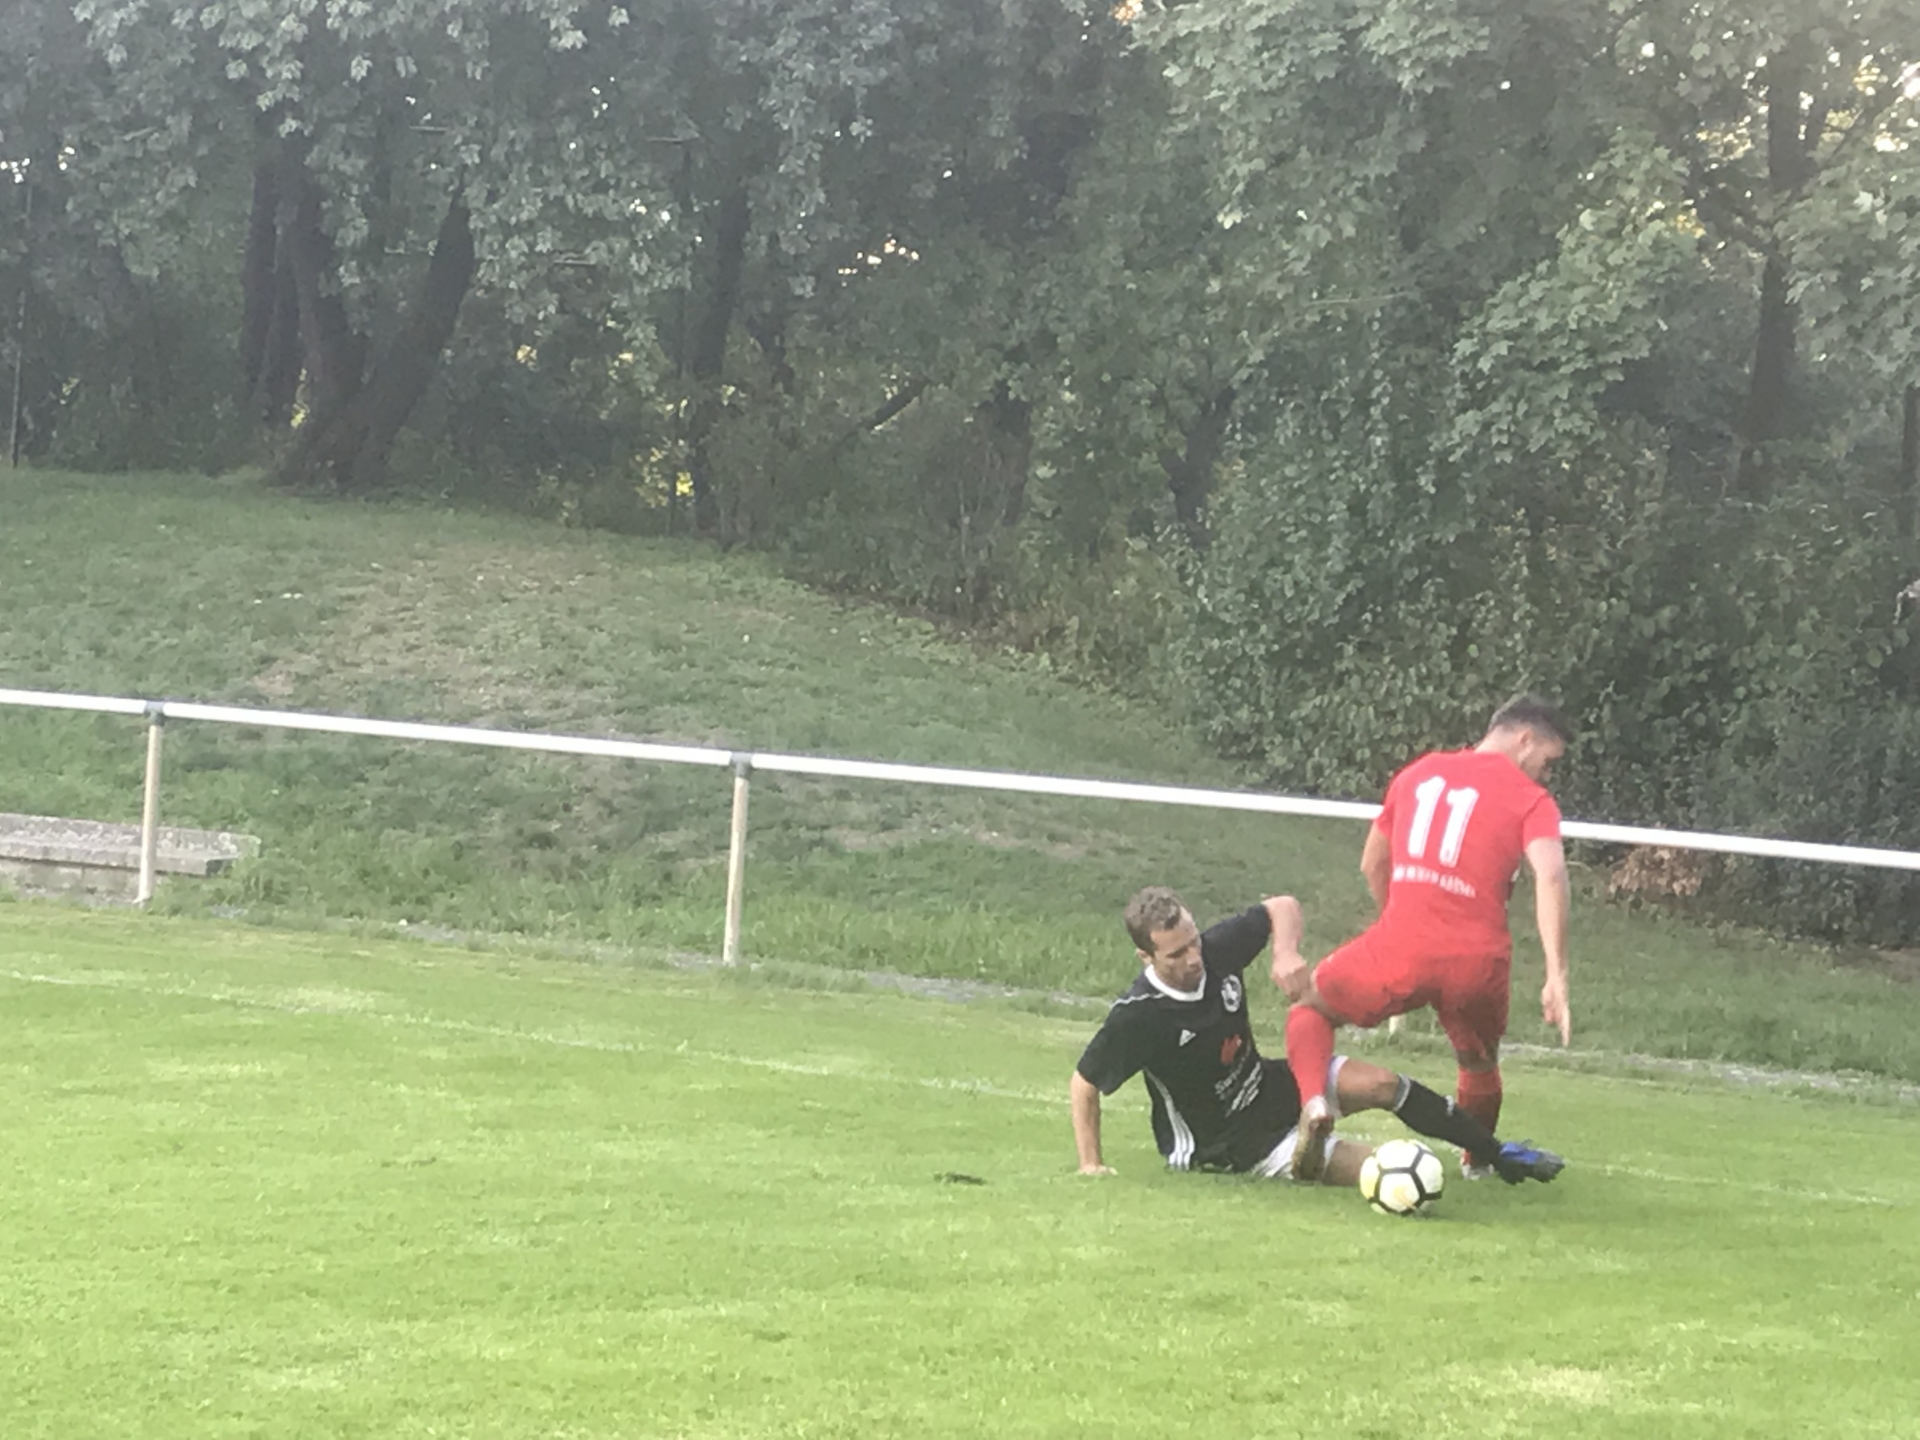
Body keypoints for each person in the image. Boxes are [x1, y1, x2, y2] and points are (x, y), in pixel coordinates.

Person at [1071, 885, 1560, 1186]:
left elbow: (1281, 906)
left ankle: (1497, 1153)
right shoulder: (1140, 1015)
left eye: (1193, 942)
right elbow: (1084, 1083)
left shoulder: (1216, 951)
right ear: (1146, 957)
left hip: (1266, 1086)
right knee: (1395, 1169)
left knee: (1383, 1084)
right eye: (1176, 954)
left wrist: (1285, 952)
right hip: (1224, 1143)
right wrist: (1091, 1163)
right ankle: (1307, 1153)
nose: (1193, 958)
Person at [1283, 694, 1574, 1183]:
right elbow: (1550, 875)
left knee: (1311, 1008)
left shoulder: (1418, 773)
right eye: (1548, 762)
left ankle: (1314, 1102)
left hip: (1402, 946)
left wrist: (1396, 920)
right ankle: (1477, 1163)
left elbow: (1372, 862)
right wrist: (1556, 975)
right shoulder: (1530, 799)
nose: (1546, 775)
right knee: (1478, 1063)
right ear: (1525, 739)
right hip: (1476, 962)